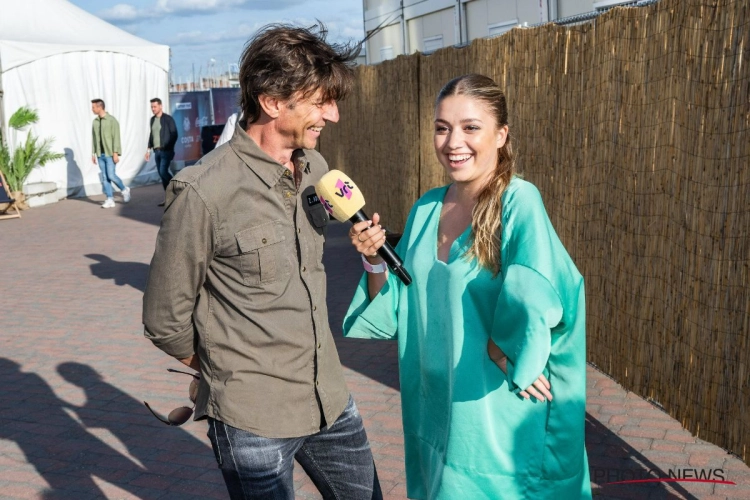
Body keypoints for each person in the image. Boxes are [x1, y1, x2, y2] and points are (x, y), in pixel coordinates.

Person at [143, 23, 382, 500]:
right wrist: (225, 373)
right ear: (272, 102)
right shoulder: (202, 192)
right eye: (321, 102)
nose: (333, 115)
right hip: (251, 418)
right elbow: (163, 318)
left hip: (329, 398)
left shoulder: (316, 169)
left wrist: (371, 255)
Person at [343, 74, 591, 499]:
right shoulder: (426, 208)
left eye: (470, 127)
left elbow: (541, 284)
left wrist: (503, 347)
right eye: (442, 128)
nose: (453, 142)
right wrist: (374, 260)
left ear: (501, 135)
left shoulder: (518, 202)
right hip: (436, 409)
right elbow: (398, 307)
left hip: (497, 415)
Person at [91, 99, 129, 208]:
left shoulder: (112, 120)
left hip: (110, 154)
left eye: (93, 107)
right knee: (105, 177)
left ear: (100, 107)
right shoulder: (95, 122)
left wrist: (115, 153)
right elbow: (94, 139)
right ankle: (109, 199)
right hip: (100, 154)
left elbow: (116, 137)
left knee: (111, 175)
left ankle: (124, 189)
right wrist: (93, 153)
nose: (92, 109)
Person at [144, 97, 178, 206]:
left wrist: (168, 146)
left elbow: (174, 134)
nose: (153, 109)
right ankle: (169, 197)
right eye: (152, 107)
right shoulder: (152, 120)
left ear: (160, 106)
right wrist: (148, 150)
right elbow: (152, 135)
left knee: (163, 172)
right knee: (161, 174)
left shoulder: (168, 119)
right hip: (156, 151)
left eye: (155, 106)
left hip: (166, 151)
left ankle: (177, 188)